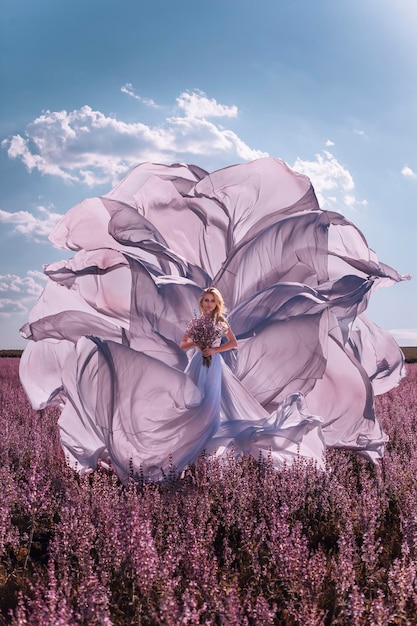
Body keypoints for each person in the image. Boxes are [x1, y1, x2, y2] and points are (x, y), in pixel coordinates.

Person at [180, 287, 238, 360]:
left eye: (213, 301)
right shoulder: (195, 322)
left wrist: (215, 350)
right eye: (206, 300)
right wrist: (196, 343)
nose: (209, 303)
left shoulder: (220, 321)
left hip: (214, 359)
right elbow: (182, 344)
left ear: (217, 303)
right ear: (202, 302)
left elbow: (233, 343)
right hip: (198, 359)